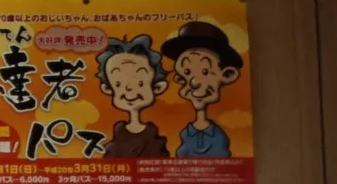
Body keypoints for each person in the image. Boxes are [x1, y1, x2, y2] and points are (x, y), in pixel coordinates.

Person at [162, 20, 244, 158]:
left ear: (227, 75)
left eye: (205, 72)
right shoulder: (186, 133)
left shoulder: (218, 135)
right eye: (187, 73)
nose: (194, 82)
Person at [95, 34, 170, 158]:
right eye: (118, 84)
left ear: (157, 87)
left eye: (140, 83)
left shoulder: (152, 134)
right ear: (108, 89)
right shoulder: (118, 133)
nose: (129, 89)